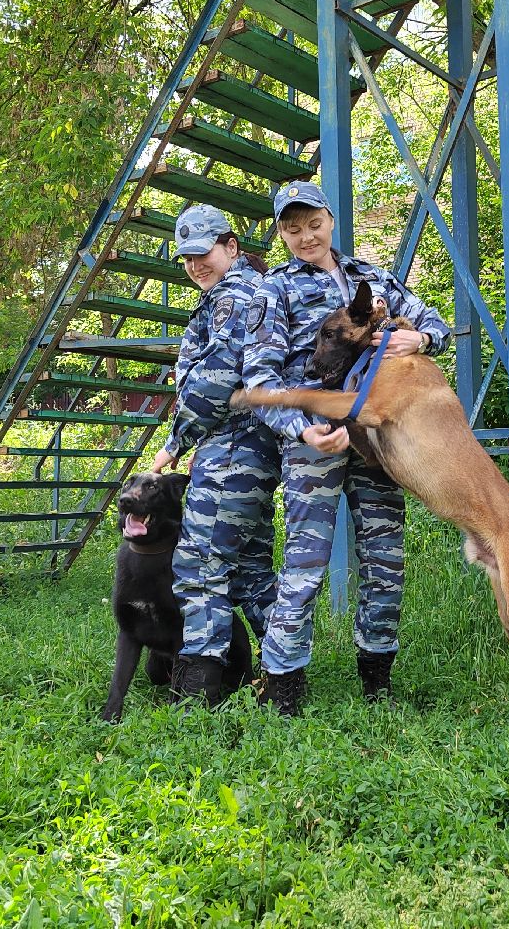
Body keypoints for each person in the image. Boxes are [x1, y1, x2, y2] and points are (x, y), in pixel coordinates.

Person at [242, 180, 451, 715]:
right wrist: (301, 430)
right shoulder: (274, 291)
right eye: (292, 229)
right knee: (305, 567)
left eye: (314, 224)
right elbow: (260, 378)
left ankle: (377, 684)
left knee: (386, 563)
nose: (305, 237)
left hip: (379, 441)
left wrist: (418, 339)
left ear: (330, 220)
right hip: (317, 441)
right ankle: (283, 687)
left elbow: (436, 323)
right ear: (281, 232)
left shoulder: (371, 276)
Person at [148, 203, 279, 706]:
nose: (195, 265)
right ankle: (284, 674)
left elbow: (219, 378)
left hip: (232, 452)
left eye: (204, 253)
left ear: (231, 247)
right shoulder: (233, 293)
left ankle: (198, 691)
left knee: (200, 565)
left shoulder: (234, 295)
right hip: (245, 450)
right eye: (186, 258)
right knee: (248, 571)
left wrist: (174, 442)